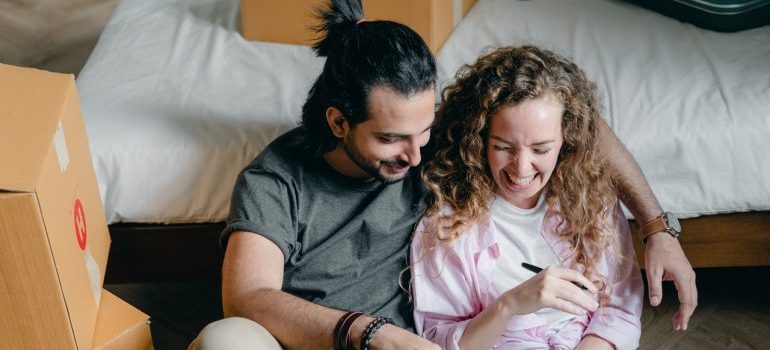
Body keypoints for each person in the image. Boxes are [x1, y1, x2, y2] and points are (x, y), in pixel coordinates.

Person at [188, 0, 696, 349]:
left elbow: (570, 116)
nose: (414, 157)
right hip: (315, 339)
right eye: (390, 139)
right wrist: (369, 334)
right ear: (339, 122)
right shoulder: (277, 180)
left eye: (425, 131)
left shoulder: (432, 141)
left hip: (415, 342)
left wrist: (655, 227)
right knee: (225, 339)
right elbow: (247, 297)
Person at [411, 45, 643, 350]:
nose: (521, 169)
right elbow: (437, 341)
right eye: (503, 147)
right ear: (479, 138)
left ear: (567, 139)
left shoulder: (592, 199)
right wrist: (511, 304)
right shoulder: (446, 226)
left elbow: (619, 308)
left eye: (541, 149)